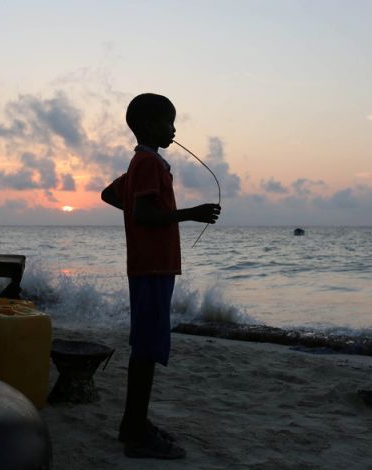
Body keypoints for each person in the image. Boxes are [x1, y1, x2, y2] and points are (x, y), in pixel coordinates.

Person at [101, 93, 221, 459]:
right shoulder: (148, 163)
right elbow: (141, 214)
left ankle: (133, 424)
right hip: (152, 266)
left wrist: (137, 210)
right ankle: (136, 433)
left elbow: (110, 194)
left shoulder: (141, 164)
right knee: (147, 350)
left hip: (149, 266)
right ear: (151, 125)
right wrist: (191, 213)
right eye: (169, 122)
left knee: (146, 347)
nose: (174, 129)